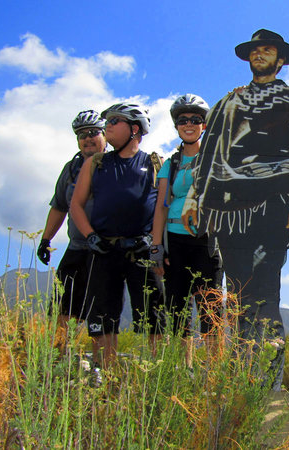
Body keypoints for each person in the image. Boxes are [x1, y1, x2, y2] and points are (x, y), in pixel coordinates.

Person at [181, 29, 289, 390]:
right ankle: (243, 379)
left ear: (281, 58)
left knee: (266, 292)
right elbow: (208, 155)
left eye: (267, 50)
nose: (260, 55)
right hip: (228, 211)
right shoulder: (229, 102)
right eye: (255, 50)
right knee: (238, 294)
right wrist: (195, 197)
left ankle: (267, 384)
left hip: (275, 207)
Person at [70, 102, 166, 367]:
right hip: (104, 250)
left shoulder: (155, 163)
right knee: (102, 315)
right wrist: (90, 236)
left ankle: (157, 376)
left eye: (114, 121)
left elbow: (164, 208)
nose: (107, 126)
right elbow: (75, 205)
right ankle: (104, 373)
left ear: (134, 129)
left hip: (142, 251)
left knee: (153, 315)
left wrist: (156, 243)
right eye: (107, 121)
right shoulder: (95, 163)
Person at [151, 94, 222, 365]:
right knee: (178, 313)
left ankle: (213, 376)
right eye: (183, 120)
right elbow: (161, 207)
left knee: (210, 312)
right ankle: (185, 372)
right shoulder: (170, 164)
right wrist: (157, 247)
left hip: (207, 242)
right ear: (176, 126)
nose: (189, 124)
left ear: (204, 125)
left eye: (195, 120)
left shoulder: (217, 159)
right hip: (176, 246)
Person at [37, 110, 106, 349]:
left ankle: (101, 365)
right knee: (61, 305)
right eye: (81, 135)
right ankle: (59, 359)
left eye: (93, 133)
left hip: (105, 250)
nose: (87, 138)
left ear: (104, 134)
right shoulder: (71, 169)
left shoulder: (115, 165)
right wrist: (45, 239)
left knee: (100, 309)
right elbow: (59, 207)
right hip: (77, 247)